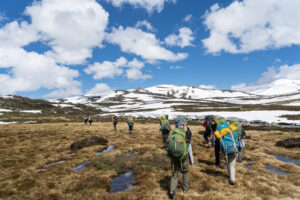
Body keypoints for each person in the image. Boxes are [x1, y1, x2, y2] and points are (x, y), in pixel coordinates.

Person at [168, 117, 192, 199]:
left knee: (175, 174)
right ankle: (185, 189)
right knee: (185, 172)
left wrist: (170, 157)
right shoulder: (187, 133)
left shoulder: (173, 133)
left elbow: (169, 147)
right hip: (183, 157)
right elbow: (188, 147)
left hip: (174, 158)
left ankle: (171, 191)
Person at [214, 118, 239, 185]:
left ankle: (230, 177)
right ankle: (232, 178)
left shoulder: (218, 130)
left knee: (228, 163)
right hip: (234, 148)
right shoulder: (231, 127)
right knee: (232, 165)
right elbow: (236, 137)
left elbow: (217, 139)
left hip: (225, 150)